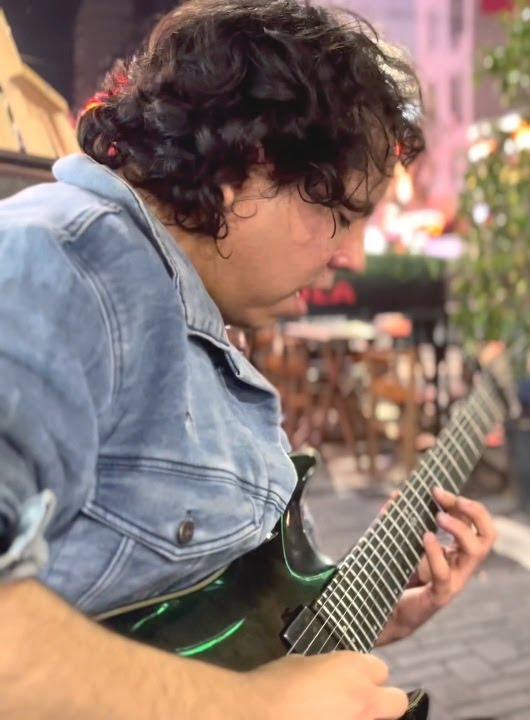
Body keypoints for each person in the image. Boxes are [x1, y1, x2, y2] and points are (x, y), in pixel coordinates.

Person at [0, 2, 496, 718]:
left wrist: (367, 618)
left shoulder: (186, 302)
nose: (350, 254)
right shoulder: (60, 265)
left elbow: (212, 627)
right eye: (343, 213)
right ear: (245, 171)